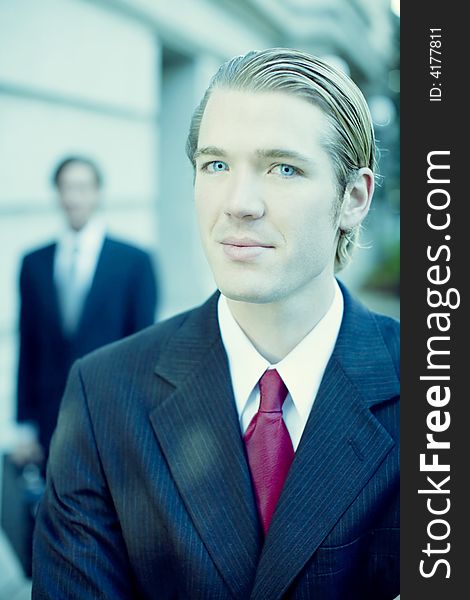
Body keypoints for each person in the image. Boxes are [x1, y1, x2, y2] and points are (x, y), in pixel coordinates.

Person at [32, 49, 399, 599]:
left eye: (283, 168)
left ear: (353, 198)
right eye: (216, 165)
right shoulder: (102, 395)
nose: (238, 203)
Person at [17, 156, 158, 460]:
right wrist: (24, 425)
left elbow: (145, 346)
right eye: (66, 188)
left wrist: (139, 417)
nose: (73, 197)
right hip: (49, 417)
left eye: (82, 188)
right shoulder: (33, 263)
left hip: (112, 414)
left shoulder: (134, 261)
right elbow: (27, 344)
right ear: (57, 194)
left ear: (97, 193)